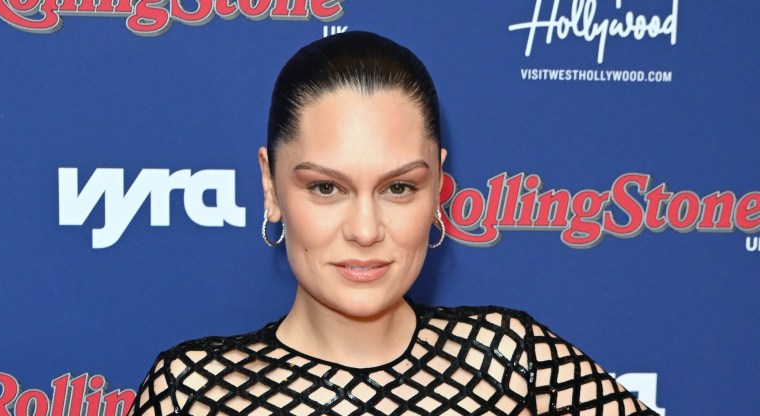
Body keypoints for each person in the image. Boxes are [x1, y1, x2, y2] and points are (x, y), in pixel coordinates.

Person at [129, 31, 658, 416]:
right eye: (326, 188)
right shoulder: (190, 394)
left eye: (398, 188)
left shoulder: (516, 364)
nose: (365, 230)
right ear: (271, 186)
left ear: (438, 186)